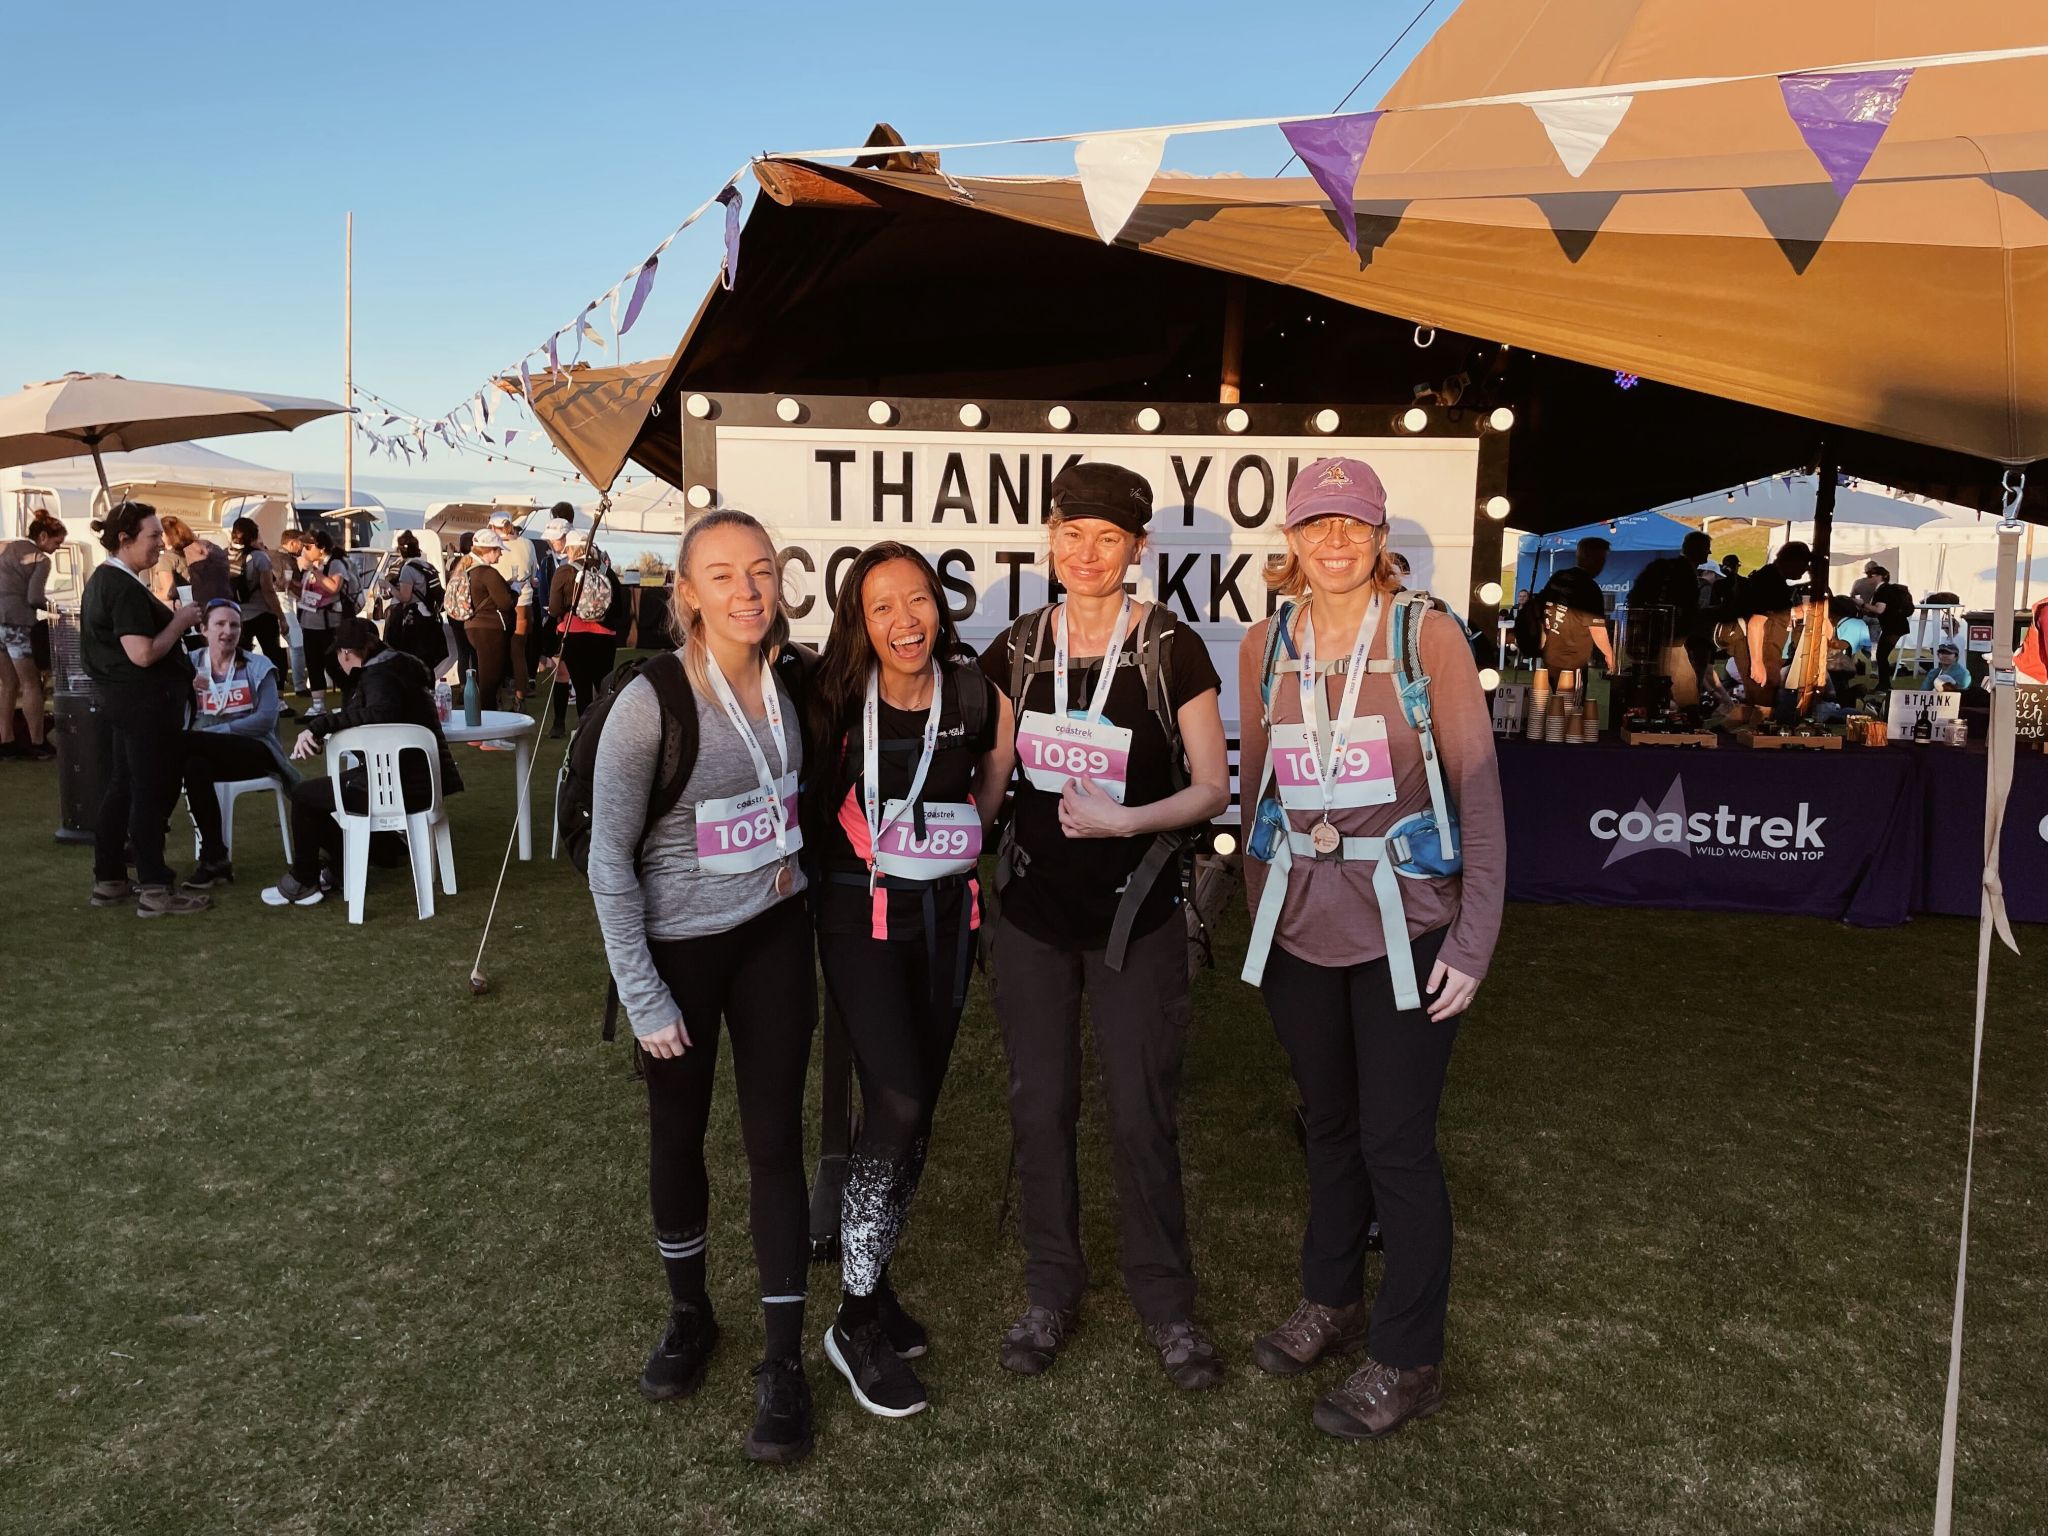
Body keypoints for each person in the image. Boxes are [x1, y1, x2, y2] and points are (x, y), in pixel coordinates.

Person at [1236, 456, 1505, 1441]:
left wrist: (1471, 942)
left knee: (1396, 1145)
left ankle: (1405, 1358)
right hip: (1302, 935)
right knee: (1327, 1127)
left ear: (1378, 535)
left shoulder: (1425, 636)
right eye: (1316, 525)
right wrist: (1261, 909)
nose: (1334, 541)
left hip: (1407, 933)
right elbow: (1257, 792)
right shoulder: (1263, 644)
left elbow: (1477, 792)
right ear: (1292, 540)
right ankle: (1330, 1297)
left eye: (1352, 525)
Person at [978, 461, 1232, 1390]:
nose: (1087, 554)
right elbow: (999, 773)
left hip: (1140, 916)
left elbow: (1213, 785)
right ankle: (1051, 1289)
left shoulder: (1173, 647)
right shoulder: (1015, 645)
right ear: (1050, 536)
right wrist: (943, 833)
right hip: (1035, 915)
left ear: (1138, 550)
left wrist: (1126, 821)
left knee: (1141, 1111)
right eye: (1072, 533)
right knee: (1038, 1106)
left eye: (1109, 539)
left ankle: (1166, 1304)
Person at [585, 509, 820, 1464]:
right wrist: (642, 998)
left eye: (761, 571)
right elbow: (608, 859)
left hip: (774, 933)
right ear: (685, 592)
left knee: (774, 1143)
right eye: (722, 575)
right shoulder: (653, 701)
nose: (747, 591)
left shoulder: (792, 684)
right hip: (678, 949)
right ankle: (691, 1317)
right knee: (678, 1137)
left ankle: (783, 1360)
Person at [807, 543, 1012, 1418]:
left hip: (946, 921)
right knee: (893, 1101)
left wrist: (942, 850)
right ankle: (853, 1319)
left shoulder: (976, 694)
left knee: (915, 1107)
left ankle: (874, 1276)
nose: (904, 621)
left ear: (942, 605)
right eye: (882, 605)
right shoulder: (828, 699)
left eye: (918, 600)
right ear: (858, 618)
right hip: (861, 917)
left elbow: (989, 796)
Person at [259, 616, 462, 908]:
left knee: (305, 795)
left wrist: (321, 725)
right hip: (427, 780)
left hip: (397, 783)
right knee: (329, 792)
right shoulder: (406, 664)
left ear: (344, 653)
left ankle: (305, 879)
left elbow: (380, 713)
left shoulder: (377, 675)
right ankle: (360, 860)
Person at [78, 501, 210, 917]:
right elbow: (143, 653)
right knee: (146, 792)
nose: (160, 543)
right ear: (125, 539)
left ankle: (110, 878)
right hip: (143, 704)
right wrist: (180, 621)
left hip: (126, 701)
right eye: (152, 536)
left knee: (122, 787)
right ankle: (155, 888)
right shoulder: (120, 586)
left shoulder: (109, 582)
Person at [180, 600, 294, 888]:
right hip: (207, 754)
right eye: (219, 624)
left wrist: (220, 732)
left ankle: (151, 830)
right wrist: (182, 685)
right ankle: (215, 858)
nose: (227, 631)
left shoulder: (259, 665)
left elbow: (266, 719)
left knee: (182, 745)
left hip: (254, 751)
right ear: (203, 629)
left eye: (234, 625)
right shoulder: (188, 665)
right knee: (195, 767)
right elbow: (167, 708)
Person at [0, 510, 66, 759]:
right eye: (56, 543)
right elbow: (34, 597)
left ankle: (6, 741)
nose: (56, 549)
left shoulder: (7, 548)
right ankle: (37, 743)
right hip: (17, 623)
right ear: (43, 536)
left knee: (7, 684)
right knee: (31, 684)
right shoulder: (40, 559)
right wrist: (54, 609)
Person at [545, 528, 619, 740]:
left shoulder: (565, 571)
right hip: (605, 634)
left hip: (573, 633)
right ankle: (605, 731)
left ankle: (578, 731)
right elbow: (621, 607)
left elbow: (555, 608)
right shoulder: (607, 571)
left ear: (570, 548)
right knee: (603, 685)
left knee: (580, 685)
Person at [1626, 530, 1712, 706]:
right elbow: (1687, 609)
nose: (1709, 553)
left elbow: (1635, 597)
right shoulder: (1683, 573)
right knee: (1684, 689)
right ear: (1698, 549)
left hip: (1649, 637)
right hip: (1671, 640)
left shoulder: (1662, 567)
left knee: (1658, 683)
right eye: (1707, 548)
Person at [1531, 537, 1614, 696]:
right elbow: (1596, 628)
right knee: (1570, 709)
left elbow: (1540, 605)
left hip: (1550, 655)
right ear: (1591, 559)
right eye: (1601, 559)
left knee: (1549, 707)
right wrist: (1609, 655)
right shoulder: (1589, 588)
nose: (1602, 565)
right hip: (1572, 660)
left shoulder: (1559, 576)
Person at [1739, 541, 1812, 715]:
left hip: (1769, 646)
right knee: (1763, 701)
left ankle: (1737, 730)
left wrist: (1793, 613)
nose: (1805, 571)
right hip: (1760, 647)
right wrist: (1757, 663)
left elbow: (1774, 614)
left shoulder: (1774, 580)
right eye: (1804, 565)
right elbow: (1756, 622)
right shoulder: (1770, 581)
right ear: (1793, 561)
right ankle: (1755, 735)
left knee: (1759, 702)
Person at [455, 530, 516, 715]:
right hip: (489, 629)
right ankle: (487, 733)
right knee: (490, 681)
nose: (500, 554)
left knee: (483, 678)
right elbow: (505, 603)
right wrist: (515, 590)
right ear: (489, 550)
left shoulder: (468, 570)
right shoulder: (487, 573)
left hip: (472, 626)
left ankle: (478, 727)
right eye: (498, 550)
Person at [296, 529, 355, 706]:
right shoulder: (314, 566)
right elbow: (307, 592)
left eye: (308, 546)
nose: (304, 550)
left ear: (320, 548)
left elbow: (333, 587)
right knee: (313, 664)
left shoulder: (334, 564)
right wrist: (289, 584)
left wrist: (314, 570)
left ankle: (353, 695)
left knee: (332, 664)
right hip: (310, 621)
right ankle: (318, 705)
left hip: (329, 624)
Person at [227, 517, 289, 674]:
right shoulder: (259, 557)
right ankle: (277, 689)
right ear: (254, 535)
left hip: (236, 613)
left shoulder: (223, 555)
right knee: (272, 652)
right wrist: (281, 616)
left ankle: (241, 683)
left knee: (240, 654)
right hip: (262, 612)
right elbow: (268, 590)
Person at [488, 510, 538, 701]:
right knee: (518, 651)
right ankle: (520, 696)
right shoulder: (527, 544)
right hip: (523, 601)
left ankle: (497, 696)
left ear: (493, 528)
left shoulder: (494, 547)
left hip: (498, 601)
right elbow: (533, 574)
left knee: (497, 650)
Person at [383, 531, 449, 674]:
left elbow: (405, 597)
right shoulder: (428, 566)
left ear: (401, 550)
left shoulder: (407, 569)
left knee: (411, 657)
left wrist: (388, 586)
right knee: (427, 659)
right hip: (430, 615)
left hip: (414, 618)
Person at [1865, 566, 1916, 682]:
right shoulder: (1886, 589)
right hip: (1895, 626)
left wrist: (1862, 604)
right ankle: (1884, 684)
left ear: (1879, 577)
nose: (1868, 579)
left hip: (1893, 627)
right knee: (1881, 656)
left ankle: (1884, 685)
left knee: (1881, 656)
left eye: (1870, 576)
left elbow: (1879, 609)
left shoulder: (1883, 590)